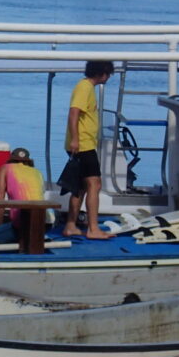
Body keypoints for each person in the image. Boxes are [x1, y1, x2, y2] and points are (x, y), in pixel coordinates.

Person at [64, 60, 115, 239]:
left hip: (84, 143)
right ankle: (93, 229)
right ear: (102, 73)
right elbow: (73, 112)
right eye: (108, 74)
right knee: (95, 183)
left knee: (81, 186)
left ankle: (71, 225)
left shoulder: (86, 87)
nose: (108, 77)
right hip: (83, 144)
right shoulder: (85, 87)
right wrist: (76, 139)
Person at [0, 147, 46, 230]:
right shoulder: (37, 172)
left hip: (19, 219)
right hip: (41, 219)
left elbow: (0, 198)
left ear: (11, 159)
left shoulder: (5, 168)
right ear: (28, 161)